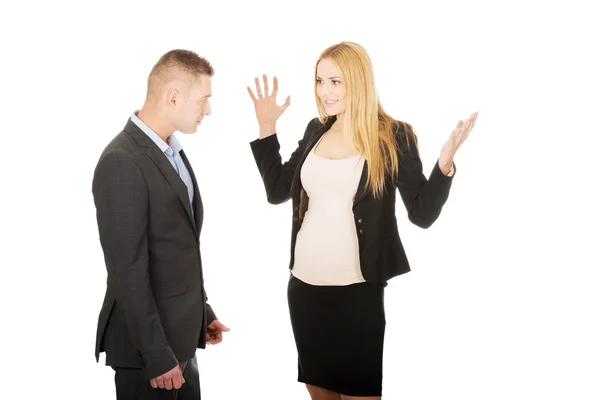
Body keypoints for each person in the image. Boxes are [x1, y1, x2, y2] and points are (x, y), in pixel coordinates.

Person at [247, 41, 478, 399]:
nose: (325, 91)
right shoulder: (315, 130)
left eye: (335, 81)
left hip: (358, 293)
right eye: (320, 80)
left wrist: (444, 165)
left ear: (358, 81)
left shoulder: (392, 135)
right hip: (305, 290)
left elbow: (422, 213)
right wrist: (266, 128)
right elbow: (278, 190)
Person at [92, 49, 230, 400]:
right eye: (204, 100)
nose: (208, 110)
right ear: (173, 97)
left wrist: (202, 311)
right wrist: (155, 355)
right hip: (148, 355)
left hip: (179, 343)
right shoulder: (121, 161)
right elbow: (128, 271)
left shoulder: (172, 151)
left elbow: (174, 249)